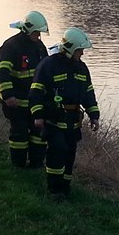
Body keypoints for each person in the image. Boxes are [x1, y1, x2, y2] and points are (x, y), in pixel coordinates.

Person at [29, 27, 100, 199]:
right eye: (79, 50)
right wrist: (38, 115)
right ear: (70, 49)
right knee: (57, 151)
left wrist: (94, 115)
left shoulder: (82, 69)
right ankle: (54, 190)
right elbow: (36, 91)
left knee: (70, 154)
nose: (82, 54)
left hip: (73, 122)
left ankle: (66, 188)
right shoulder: (49, 65)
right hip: (53, 121)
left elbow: (88, 93)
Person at [0, 11, 49, 168]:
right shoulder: (10, 46)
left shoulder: (39, 47)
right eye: (36, 32)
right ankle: (18, 165)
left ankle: (36, 164)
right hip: (15, 101)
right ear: (27, 30)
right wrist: (8, 96)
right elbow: (2, 73)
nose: (38, 36)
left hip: (34, 102)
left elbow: (46, 71)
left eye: (39, 33)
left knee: (38, 134)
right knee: (19, 133)